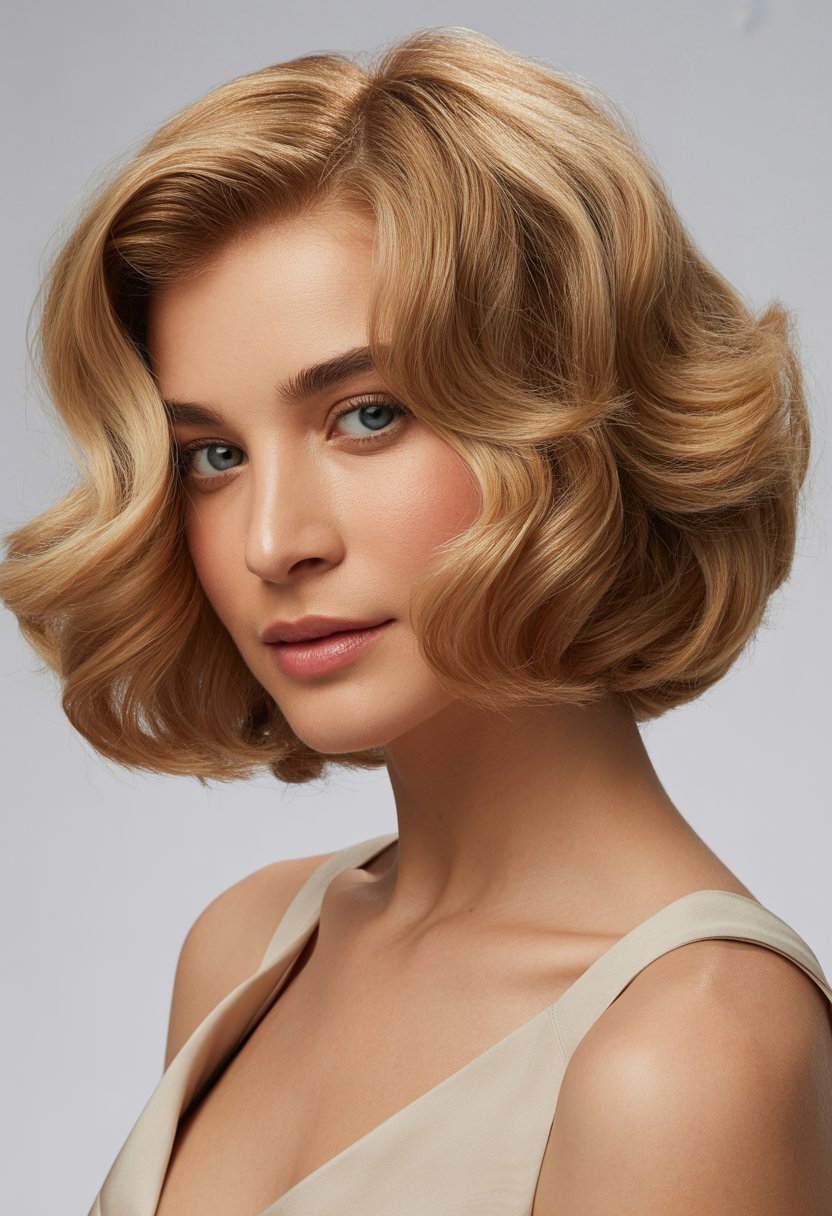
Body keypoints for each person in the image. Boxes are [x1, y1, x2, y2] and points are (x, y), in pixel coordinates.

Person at [2, 25, 830, 1216]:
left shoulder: (689, 1050)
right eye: (214, 454)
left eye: (366, 414)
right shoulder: (247, 950)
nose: (272, 540)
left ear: (569, 418)